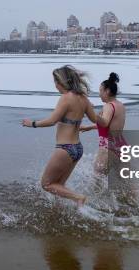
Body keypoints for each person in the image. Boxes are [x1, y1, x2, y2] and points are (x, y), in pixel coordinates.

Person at [22, 65, 100, 206]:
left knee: (46, 184)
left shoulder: (65, 98)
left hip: (65, 148)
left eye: (55, 82)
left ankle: (78, 198)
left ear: (61, 82)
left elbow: (52, 121)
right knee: (59, 185)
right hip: (77, 148)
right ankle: (59, 211)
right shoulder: (83, 98)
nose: (55, 86)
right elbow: (95, 119)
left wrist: (32, 123)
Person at [80, 72, 127, 175]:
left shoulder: (108, 106)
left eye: (101, 91)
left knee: (97, 178)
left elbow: (105, 123)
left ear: (107, 91)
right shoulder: (120, 105)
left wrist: (90, 111)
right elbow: (110, 125)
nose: (99, 94)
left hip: (108, 146)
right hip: (121, 145)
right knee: (124, 183)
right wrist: (89, 127)